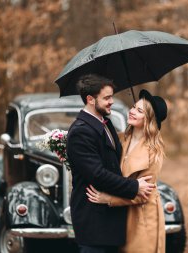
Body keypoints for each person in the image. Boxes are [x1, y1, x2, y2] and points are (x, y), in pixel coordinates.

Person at [66, 74, 155, 253]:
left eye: (111, 96)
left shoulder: (105, 122)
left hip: (111, 219)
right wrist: (134, 186)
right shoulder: (81, 132)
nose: (111, 102)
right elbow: (97, 175)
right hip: (94, 219)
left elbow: (115, 159)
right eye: (106, 98)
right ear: (90, 99)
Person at [86, 89, 168, 253]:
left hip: (141, 217)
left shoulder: (154, 151)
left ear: (149, 119)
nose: (131, 111)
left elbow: (144, 194)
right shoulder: (120, 139)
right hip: (118, 217)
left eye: (139, 110)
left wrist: (109, 199)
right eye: (133, 107)